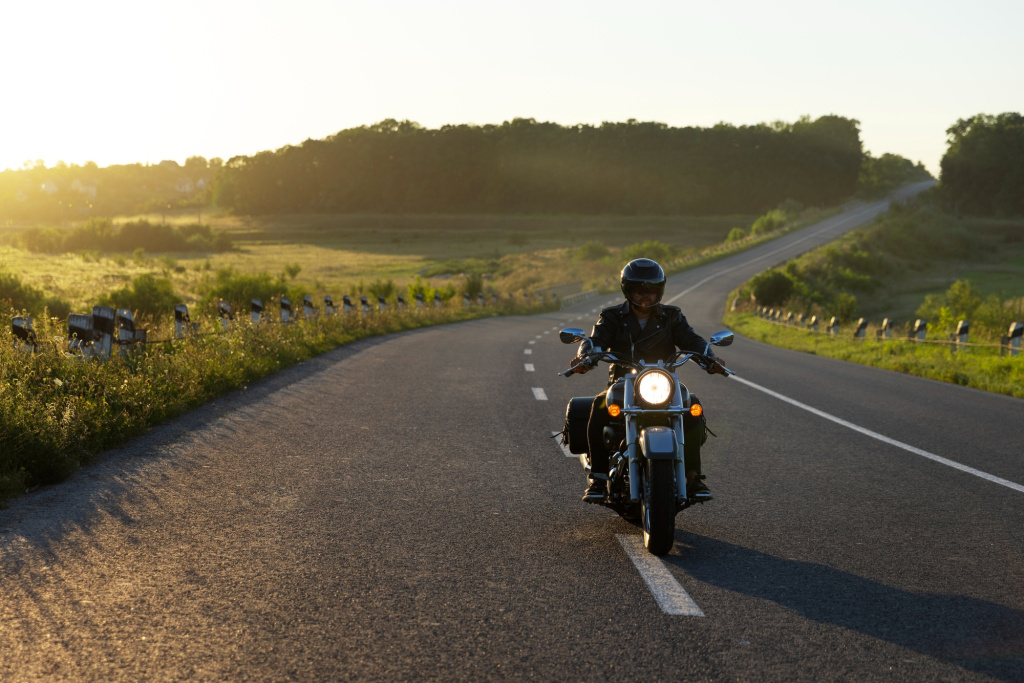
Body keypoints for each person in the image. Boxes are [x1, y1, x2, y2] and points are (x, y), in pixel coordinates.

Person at [569, 258, 728, 502]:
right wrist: (585, 357)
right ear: (627, 291)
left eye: (652, 291)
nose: (646, 296)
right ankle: (599, 477)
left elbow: (692, 341)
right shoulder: (611, 316)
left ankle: (693, 476)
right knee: (598, 408)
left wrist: (710, 358)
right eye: (640, 291)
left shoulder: (672, 316)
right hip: (624, 381)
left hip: (664, 383)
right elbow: (596, 340)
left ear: (660, 291)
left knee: (692, 408)